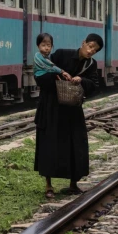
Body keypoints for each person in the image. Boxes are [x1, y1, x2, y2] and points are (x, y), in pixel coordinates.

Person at [34, 33, 103, 198]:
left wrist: (82, 80)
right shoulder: (61, 54)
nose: (91, 51)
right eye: (90, 46)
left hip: (73, 109)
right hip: (51, 107)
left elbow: (94, 85)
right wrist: (57, 77)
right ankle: (48, 186)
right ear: (83, 42)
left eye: (95, 50)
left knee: (76, 145)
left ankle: (73, 184)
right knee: (48, 145)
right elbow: (41, 76)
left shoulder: (91, 65)